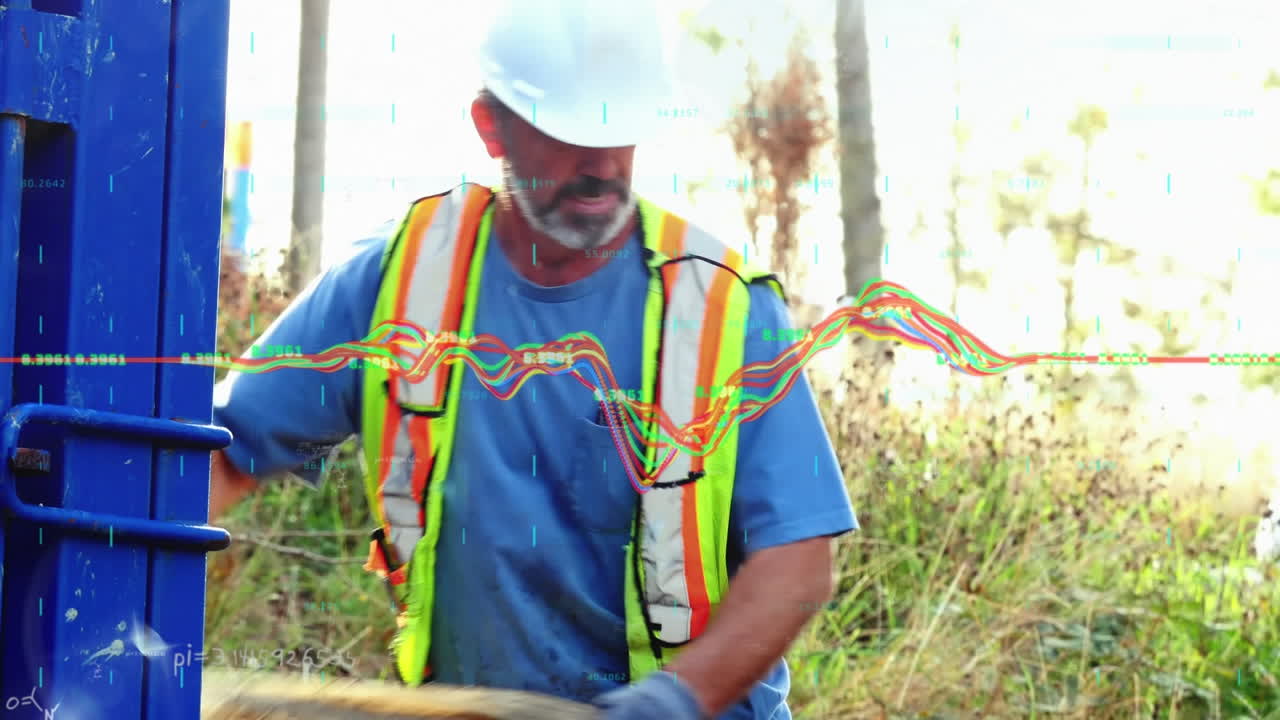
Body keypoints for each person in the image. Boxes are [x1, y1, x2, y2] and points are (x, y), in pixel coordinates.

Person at [208, 1, 858, 718]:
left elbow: (799, 562)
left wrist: (673, 700)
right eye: (571, 136)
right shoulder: (398, 281)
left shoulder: (721, 310)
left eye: (621, 133)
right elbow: (224, 455)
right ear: (492, 126)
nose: (603, 165)